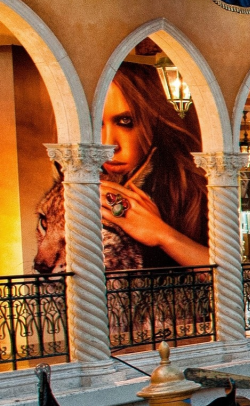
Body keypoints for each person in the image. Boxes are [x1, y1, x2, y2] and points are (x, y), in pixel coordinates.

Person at [34, 63, 209, 272]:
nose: (108, 145)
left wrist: (163, 235)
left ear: (158, 123)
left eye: (125, 121)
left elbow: (235, 279)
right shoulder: (75, 184)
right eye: (95, 124)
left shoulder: (197, 192)